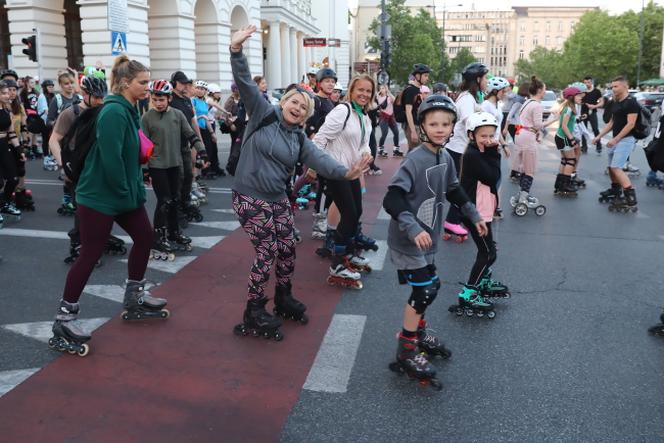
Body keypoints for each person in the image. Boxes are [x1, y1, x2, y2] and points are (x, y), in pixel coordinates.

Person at [229, 25, 370, 341]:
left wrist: (347, 173)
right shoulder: (261, 113)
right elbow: (244, 82)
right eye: (294, 102)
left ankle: (283, 297)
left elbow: (321, 161)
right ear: (284, 102)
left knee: (288, 247)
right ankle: (253, 310)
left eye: (303, 107)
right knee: (267, 250)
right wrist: (236, 51)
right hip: (249, 197)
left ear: (306, 115)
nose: (297, 107)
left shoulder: (298, 138)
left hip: (277, 198)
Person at [49, 55, 169, 356]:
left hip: (122, 193)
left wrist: (133, 187)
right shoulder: (114, 112)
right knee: (90, 253)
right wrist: (129, 190)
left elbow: (129, 155)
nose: (148, 87)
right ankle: (64, 318)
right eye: (143, 82)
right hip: (100, 195)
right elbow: (112, 158)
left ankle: (134, 296)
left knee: (144, 237)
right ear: (126, 82)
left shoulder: (128, 109)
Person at [382, 95, 486, 388]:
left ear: (452, 126)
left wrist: (473, 215)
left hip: (429, 239)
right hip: (408, 240)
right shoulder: (415, 159)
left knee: (429, 286)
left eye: (445, 123)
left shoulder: (445, 157)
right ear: (424, 126)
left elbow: (454, 190)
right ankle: (406, 348)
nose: (440, 128)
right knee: (425, 290)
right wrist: (412, 227)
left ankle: (419, 331)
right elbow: (393, 197)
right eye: (433, 123)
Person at [49, 75, 127, 263]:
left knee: (104, 206)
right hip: (78, 169)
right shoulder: (71, 113)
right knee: (82, 209)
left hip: (101, 167)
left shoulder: (105, 111)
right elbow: (54, 139)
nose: (101, 100)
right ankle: (77, 243)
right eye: (96, 97)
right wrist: (62, 164)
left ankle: (101, 237)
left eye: (103, 96)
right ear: (85, 94)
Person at [313, 74, 375, 289]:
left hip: (353, 171)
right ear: (351, 90)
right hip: (335, 170)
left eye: (368, 91)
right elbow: (321, 137)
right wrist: (315, 166)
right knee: (348, 213)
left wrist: (367, 155)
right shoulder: (343, 111)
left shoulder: (364, 117)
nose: (364, 94)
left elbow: (363, 144)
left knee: (355, 212)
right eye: (361, 90)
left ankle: (348, 253)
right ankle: (337, 263)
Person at [142, 79, 207, 258]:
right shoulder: (147, 118)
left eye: (162, 99)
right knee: (164, 201)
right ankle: (157, 237)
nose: (158, 103)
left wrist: (202, 152)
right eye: (155, 100)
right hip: (157, 166)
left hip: (175, 165)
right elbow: (144, 146)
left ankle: (173, 232)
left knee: (175, 200)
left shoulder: (178, 115)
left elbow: (190, 134)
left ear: (169, 98)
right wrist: (145, 169)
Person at [457, 112, 509, 313]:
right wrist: (494, 152)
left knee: (489, 250)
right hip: (475, 213)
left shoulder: (480, 152)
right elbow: (493, 176)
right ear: (471, 136)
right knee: (487, 253)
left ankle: (483, 282)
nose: (488, 140)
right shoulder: (473, 155)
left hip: (482, 210)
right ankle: (469, 293)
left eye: (491, 135)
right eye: (483, 136)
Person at [444, 62, 488, 241]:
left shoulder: (470, 98)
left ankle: (456, 220)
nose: (487, 81)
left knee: (465, 188)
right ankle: (451, 221)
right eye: (485, 78)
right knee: (462, 188)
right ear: (477, 79)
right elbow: (471, 123)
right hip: (458, 150)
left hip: (462, 149)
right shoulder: (466, 100)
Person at [593, 76, 640, 212]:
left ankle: (630, 198)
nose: (613, 89)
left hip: (625, 140)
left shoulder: (631, 103)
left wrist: (616, 139)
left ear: (625, 86)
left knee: (616, 167)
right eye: (612, 86)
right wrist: (599, 136)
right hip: (616, 140)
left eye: (616, 86)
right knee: (611, 168)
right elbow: (612, 122)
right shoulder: (615, 101)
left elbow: (631, 124)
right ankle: (615, 191)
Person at [510, 76, 556, 210]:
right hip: (528, 136)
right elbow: (538, 125)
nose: (544, 92)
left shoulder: (527, 102)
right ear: (540, 90)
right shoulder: (536, 105)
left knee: (524, 166)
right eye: (544, 89)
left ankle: (522, 194)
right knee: (529, 169)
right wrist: (553, 119)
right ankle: (524, 196)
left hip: (521, 134)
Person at [169, 70, 206, 225]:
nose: (185, 85)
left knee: (188, 177)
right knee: (178, 179)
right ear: (175, 83)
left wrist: (200, 144)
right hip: (173, 146)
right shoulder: (169, 99)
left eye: (186, 82)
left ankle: (184, 206)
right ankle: (175, 212)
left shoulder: (186, 100)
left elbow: (192, 122)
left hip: (186, 143)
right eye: (182, 82)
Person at [480, 76, 511, 219]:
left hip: (496, 146)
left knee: (496, 178)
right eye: (503, 91)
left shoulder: (498, 105)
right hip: (487, 147)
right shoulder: (485, 106)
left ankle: (493, 206)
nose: (505, 93)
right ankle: (488, 208)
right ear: (495, 91)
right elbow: (483, 129)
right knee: (489, 179)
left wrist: (504, 144)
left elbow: (497, 128)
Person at [553, 86, 584, 197]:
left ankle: (559, 184)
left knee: (565, 161)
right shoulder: (569, 108)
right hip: (564, 137)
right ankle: (565, 185)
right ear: (571, 97)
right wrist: (571, 139)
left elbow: (569, 122)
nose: (581, 97)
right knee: (571, 160)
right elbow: (564, 126)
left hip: (561, 137)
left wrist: (580, 118)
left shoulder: (568, 107)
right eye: (578, 95)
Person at [0, 81, 22, 222]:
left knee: (13, 178)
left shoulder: (7, 111)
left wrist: (20, 151)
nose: (8, 95)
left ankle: (5, 204)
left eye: (8, 92)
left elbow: (12, 133)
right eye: (3, 93)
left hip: (3, 146)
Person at [401, 64, 430, 153]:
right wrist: (413, 131)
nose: (427, 78)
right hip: (413, 126)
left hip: (418, 125)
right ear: (417, 76)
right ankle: (406, 167)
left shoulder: (418, 90)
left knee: (417, 151)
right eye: (425, 75)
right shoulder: (411, 90)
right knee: (414, 152)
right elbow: (408, 112)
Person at [376, 84, 400, 157]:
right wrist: (378, 94)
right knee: (384, 134)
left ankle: (396, 149)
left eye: (384, 88)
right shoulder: (379, 97)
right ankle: (380, 149)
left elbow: (396, 101)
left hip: (391, 117)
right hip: (383, 118)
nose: (383, 89)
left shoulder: (389, 97)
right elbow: (381, 104)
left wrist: (389, 92)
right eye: (382, 88)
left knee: (396, 132)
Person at [582, 76, 604, 154]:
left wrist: (594, 106)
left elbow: (602, 102)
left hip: (592, 112)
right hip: (582, 113)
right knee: (583, 130)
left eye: (588, 82)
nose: (586, 84)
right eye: (585, 82)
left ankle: (598, 145)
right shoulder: (581, 91)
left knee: (595, 129)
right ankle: (584, 147)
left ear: (591, 82)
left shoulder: (596, 91)